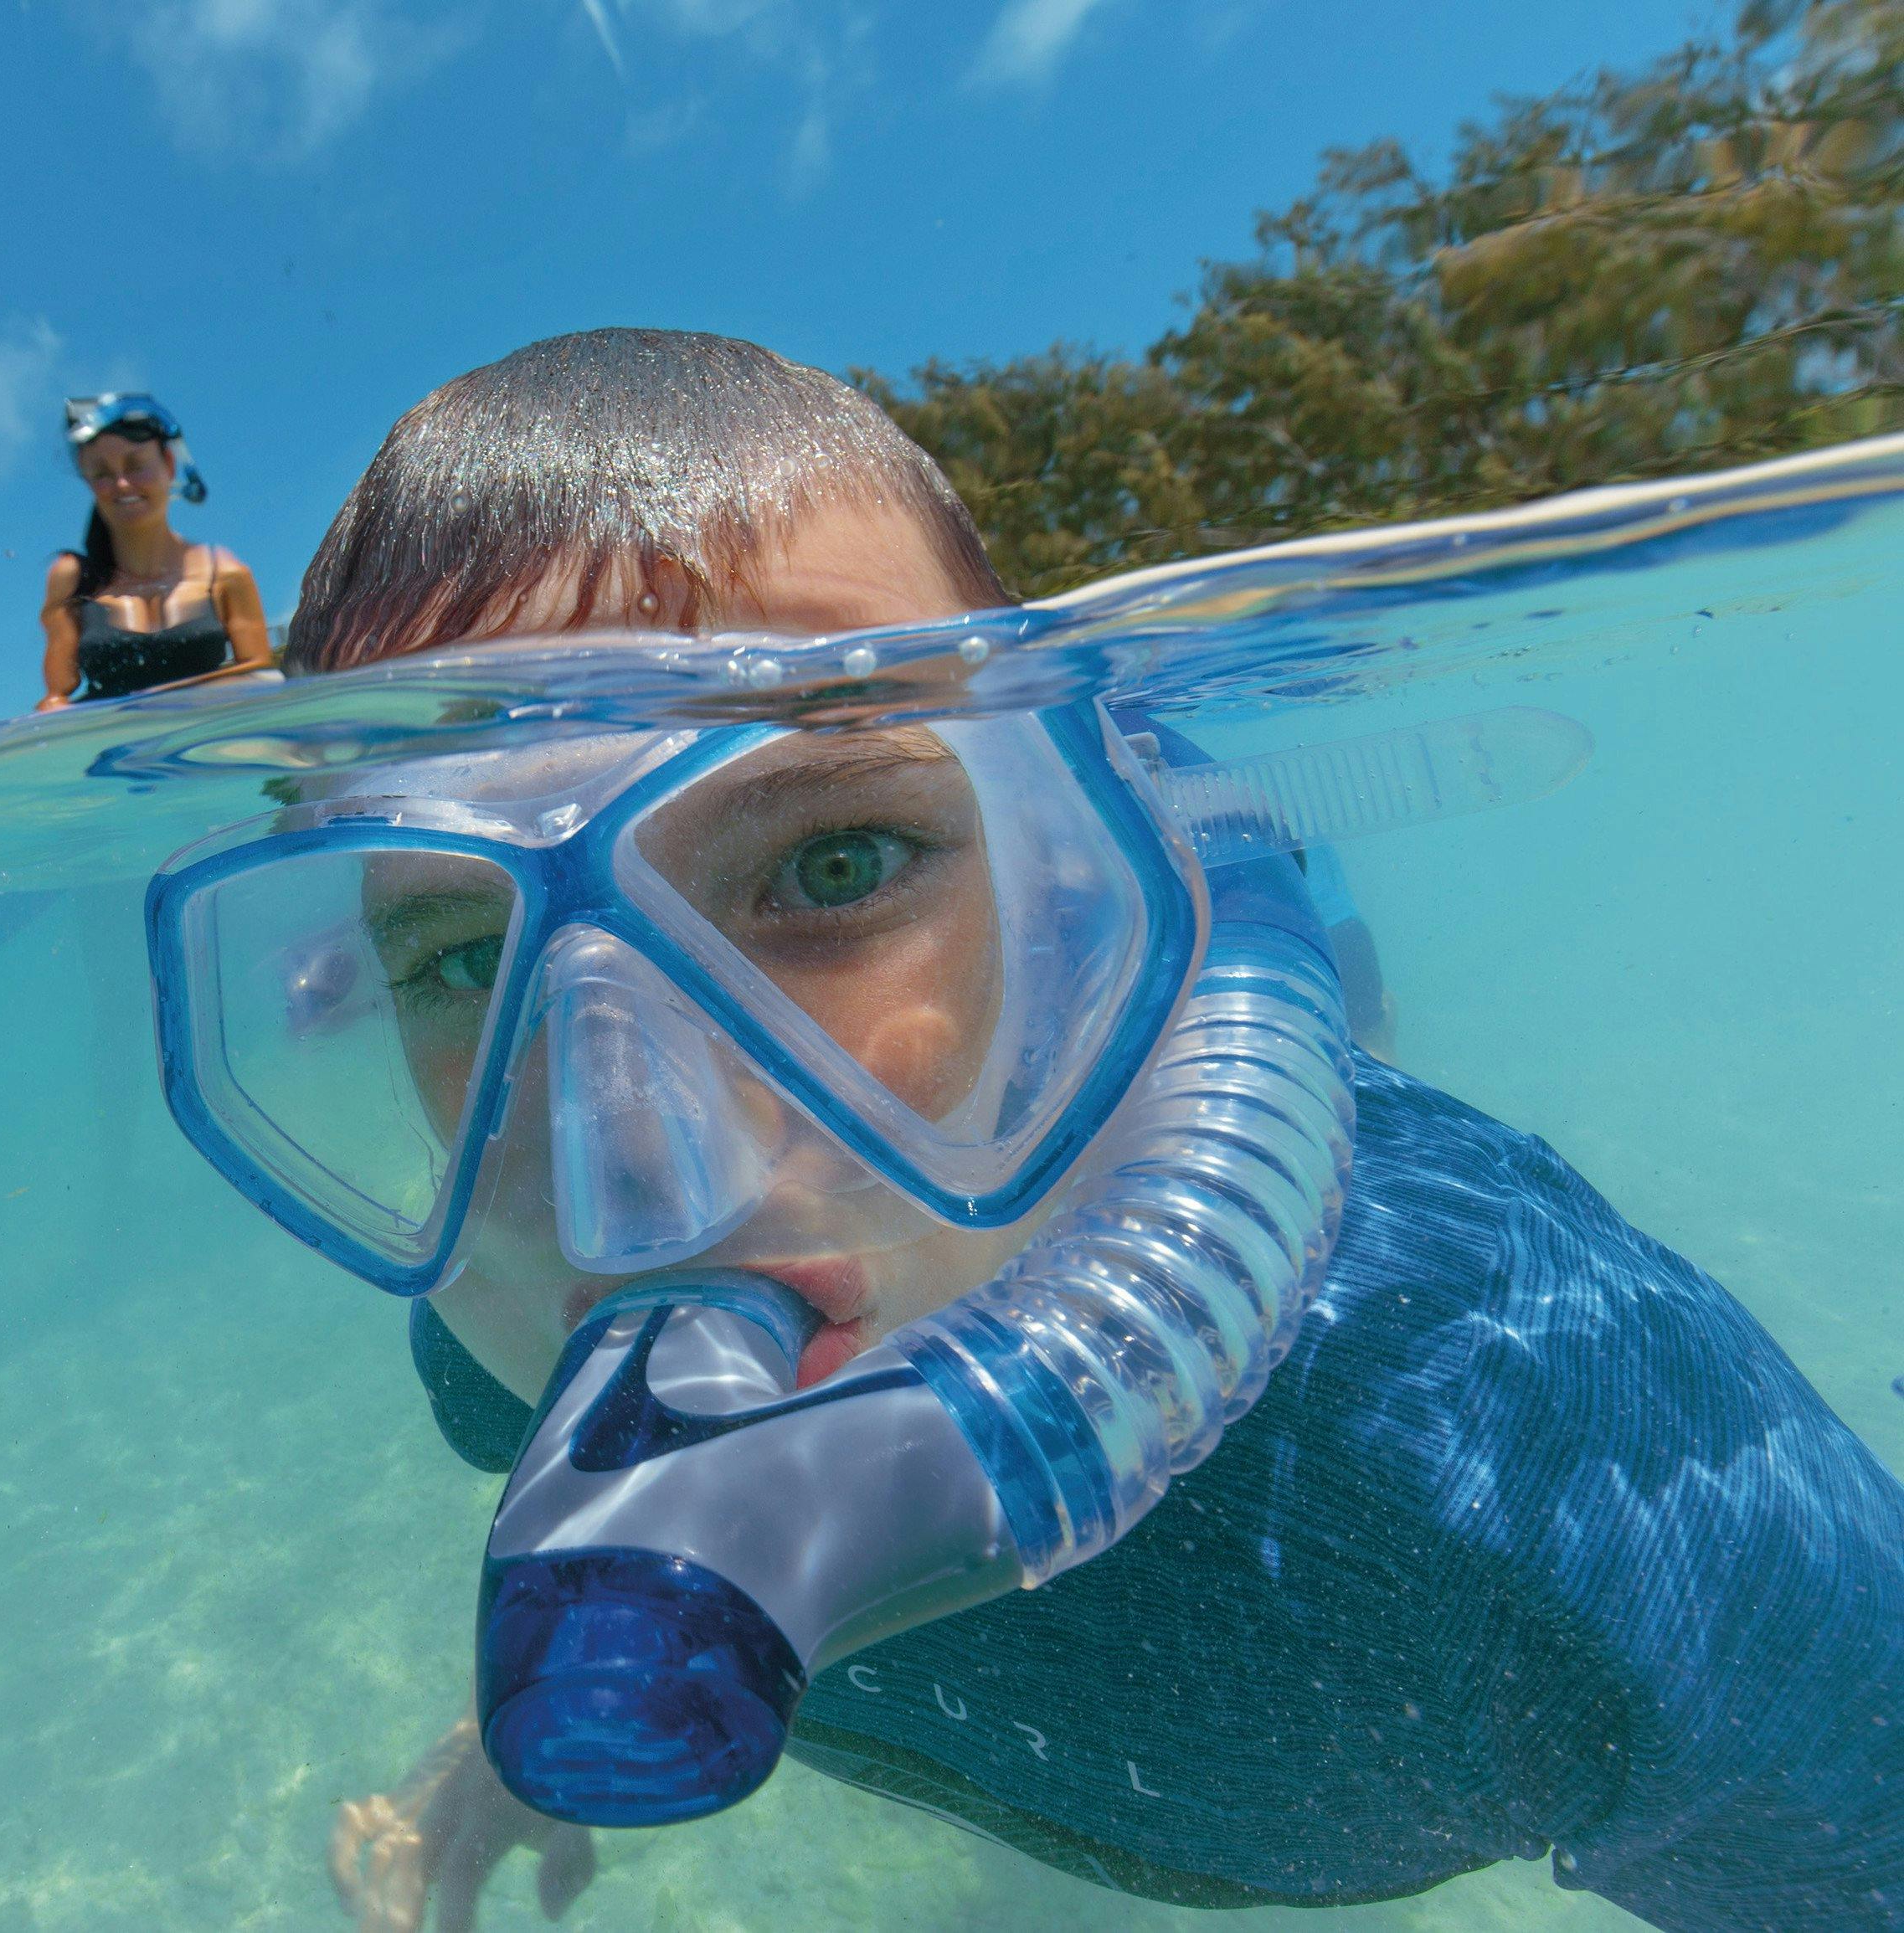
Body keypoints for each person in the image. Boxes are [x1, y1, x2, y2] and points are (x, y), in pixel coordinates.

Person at [145, 331, 1904, 1931]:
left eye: (831, 866)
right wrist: (500, 1727)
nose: (637, 1185)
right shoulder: (509, 1334)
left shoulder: (1510, 1469)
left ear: (1065, 877)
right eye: (462, 951)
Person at [37, 393, 273, 709]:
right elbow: (56, 699)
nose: (121, 484)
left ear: (170, 465)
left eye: (136, 466)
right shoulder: (72, 580)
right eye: (102, 474)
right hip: (114, 751)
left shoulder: (226, 574)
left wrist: (158, 701)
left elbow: (262, 677)